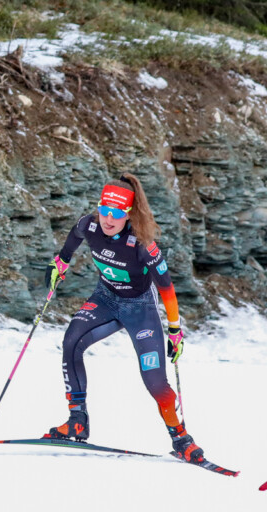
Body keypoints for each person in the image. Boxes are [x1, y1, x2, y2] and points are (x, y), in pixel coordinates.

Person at [41, 173, 202, 463]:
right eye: (104, 210)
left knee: (155, 382)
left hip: (140, 309)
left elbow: (167, 289)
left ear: (128, 213)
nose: (108, 219)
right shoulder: (88, 225)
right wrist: (60, 263)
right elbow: (72, 240)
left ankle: (181, 440)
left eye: (116, 213)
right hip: (105, 298)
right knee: (71, 342)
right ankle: (77, 421)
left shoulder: (142, 244)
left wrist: (175, 330)